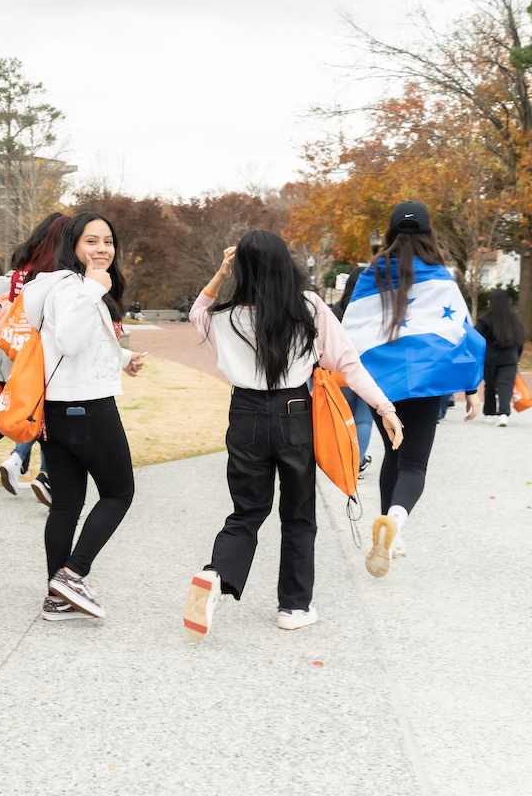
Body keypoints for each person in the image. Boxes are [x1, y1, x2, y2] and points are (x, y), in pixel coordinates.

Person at [183, 231, 403, 639]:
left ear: (242, 268)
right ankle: (293, 606)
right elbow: (349, 365)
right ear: (285, 263)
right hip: (293, 414)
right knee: (299, 515)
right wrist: (385, 408)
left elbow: (198, 309)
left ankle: (216, 574)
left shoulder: (223, 316)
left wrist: (221, 271)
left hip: (245, 413)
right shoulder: (309, 307)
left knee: (247, 511)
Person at [342, 201, 484, 576]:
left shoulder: (371, 273)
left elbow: (351, 327)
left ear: (389, 232)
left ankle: (390, 534)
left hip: (380, 382)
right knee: (414, 463)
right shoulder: (440, 275)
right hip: (425, 378)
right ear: (428, 232)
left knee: (392, 454)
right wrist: (472, 387)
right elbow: (461, 333)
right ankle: (396, 524)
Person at [20, 212, 147, 621]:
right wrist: (94, 288)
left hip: (57, 410)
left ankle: (57, 598)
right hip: (89, 409)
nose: (102, 249)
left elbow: (69, 345)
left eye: (108, 241)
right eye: (91, 241)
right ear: (73, 245)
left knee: (66, 506)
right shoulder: (76, 288)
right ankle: (73, 574)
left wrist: (123, 358)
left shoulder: (59, 286)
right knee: (118, 493)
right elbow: (71, 342)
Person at [0, 213, 65, 505]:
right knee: (34, 411)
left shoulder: (3, 282)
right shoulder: (45, 279)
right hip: (27, 356)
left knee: (20, 410)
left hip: (1, 355)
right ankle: (22, 464)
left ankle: (16, 461)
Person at [330, 266, 374, 478]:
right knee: (364, 419)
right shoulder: (378, 312)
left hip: (342, 372)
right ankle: (356, 464)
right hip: (371, 372)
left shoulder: (336, 313)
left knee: (344, 418)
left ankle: (342, 460)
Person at [476, 288, 524, 426]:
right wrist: (517, 358)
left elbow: (476, 339)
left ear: (491, 302)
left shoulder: (485, 319)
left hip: (490, 359)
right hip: (510, 359)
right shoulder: (515, 320)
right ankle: (503, 414)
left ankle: (489, 413)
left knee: (490, 386)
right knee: (505, 386)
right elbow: (520, 341)